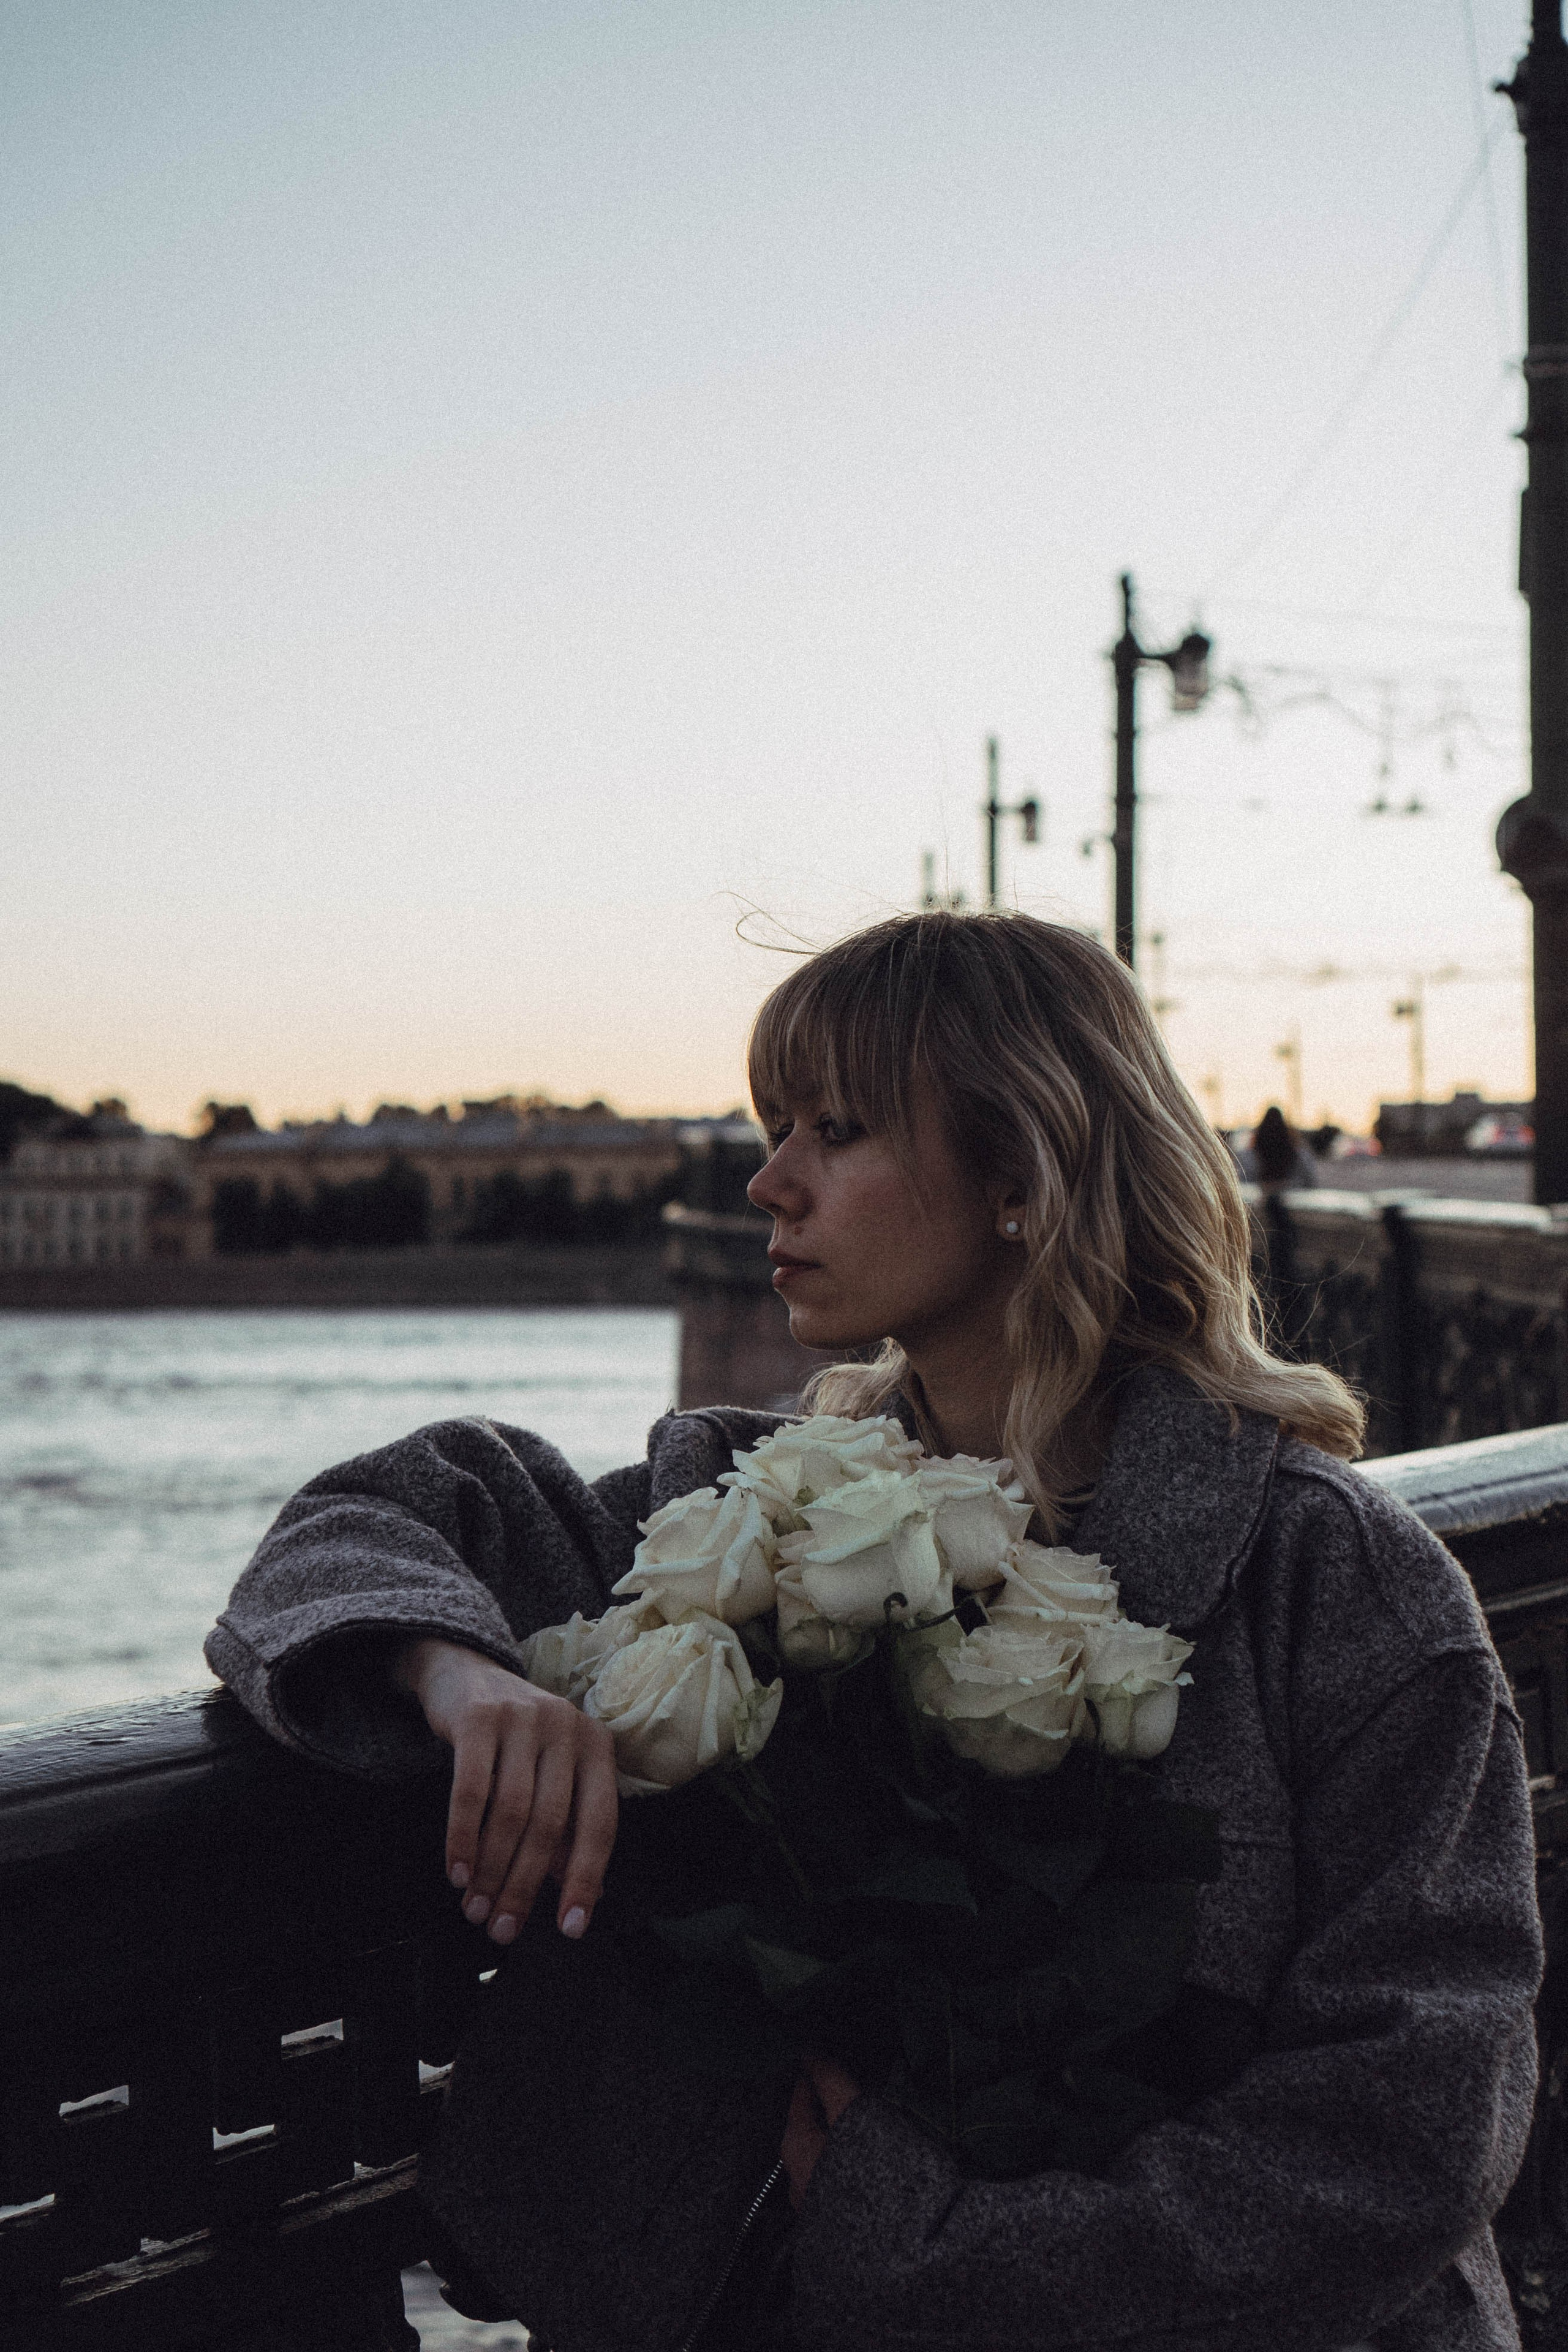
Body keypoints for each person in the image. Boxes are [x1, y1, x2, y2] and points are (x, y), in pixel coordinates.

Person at [207, 911, 1540, 2352]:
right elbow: (367, 1521)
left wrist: (933, 2252)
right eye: (773, 1129)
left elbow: (1412, 2123)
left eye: (834, 1132)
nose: (768, 1183)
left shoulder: (1333, 1585)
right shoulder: (741, 1506)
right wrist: (458, 1675)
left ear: (1023, 1175)